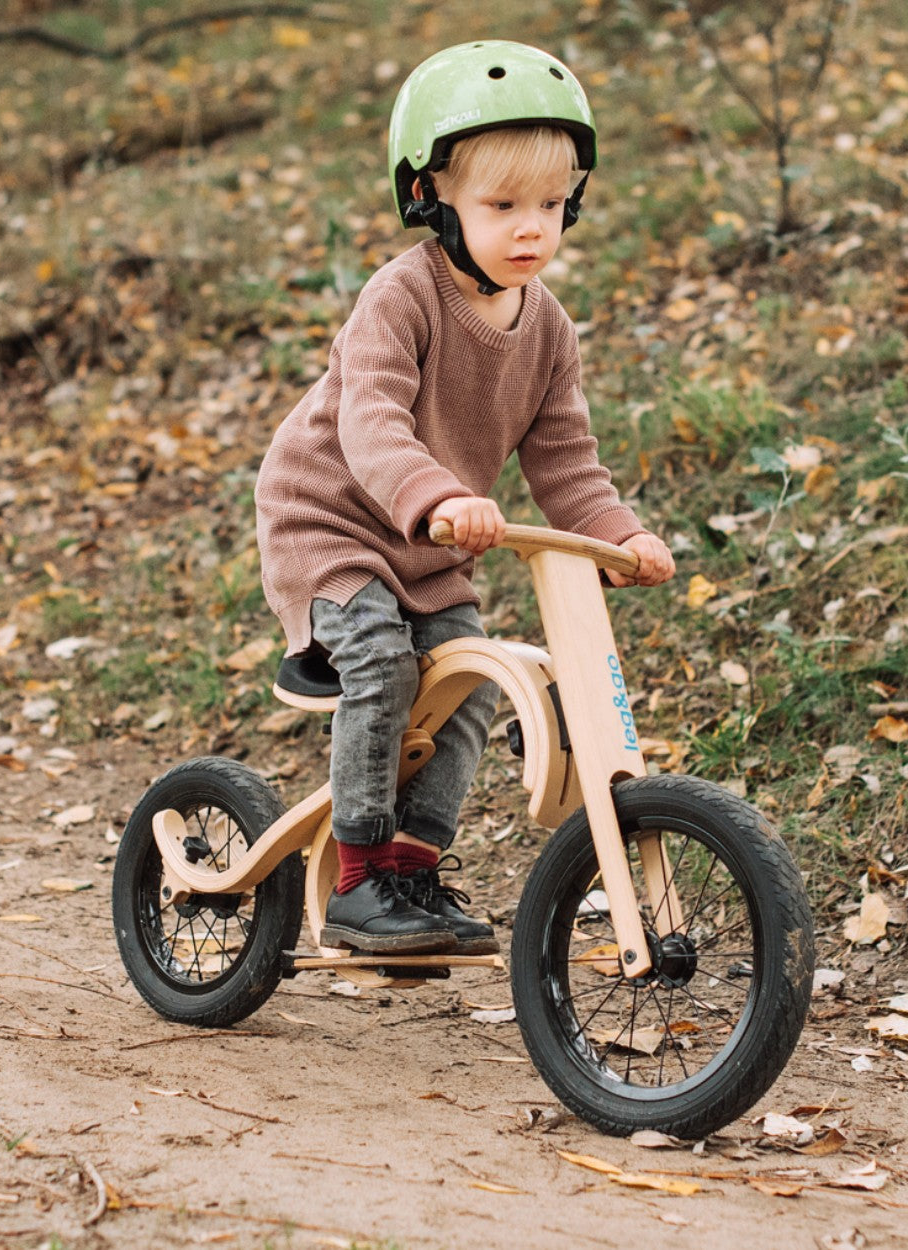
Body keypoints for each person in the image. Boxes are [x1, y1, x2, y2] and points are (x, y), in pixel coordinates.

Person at [253, 40, 675, 956]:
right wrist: (440, 493)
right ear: (431, 197)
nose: (533, 228)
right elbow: (371, 427)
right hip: (332, 519)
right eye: (502, 205)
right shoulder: (401, 298)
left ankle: (412, 864)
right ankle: (361, 878)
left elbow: (566, 460)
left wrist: (619, 534)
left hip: (433, 541)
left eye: (553, 206)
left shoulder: (548, 328)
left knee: (474, 680)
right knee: (382, 658)